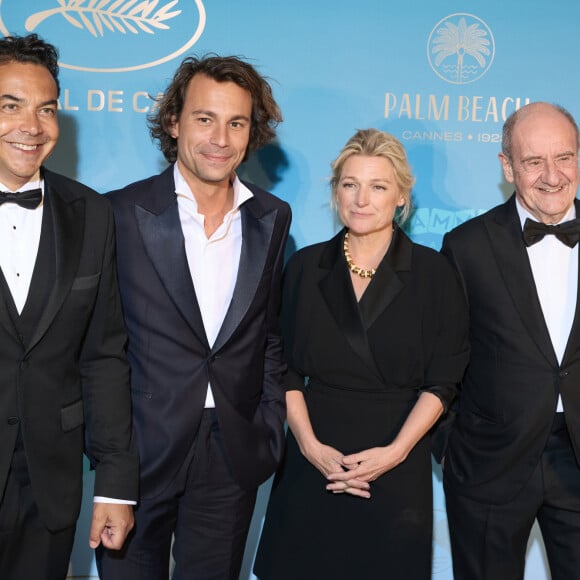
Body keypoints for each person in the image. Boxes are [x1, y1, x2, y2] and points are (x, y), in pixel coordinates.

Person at [96, 55, 291, 579]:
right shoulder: (118, 213)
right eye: (205, 119)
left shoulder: (271, 218)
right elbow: (101, 348)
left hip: (231, 450)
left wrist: (269, 425)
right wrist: (113, 463)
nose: (220, 139)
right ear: (174, 122)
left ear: (254, 132)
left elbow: (267, 335)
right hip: (140, 450)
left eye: (237, 122)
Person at [254, 128, 469, 579]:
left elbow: (443, 380)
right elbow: (285, 369)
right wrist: (311, 448)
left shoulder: (434, 274)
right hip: (313, 461)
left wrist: (394, 453)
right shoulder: (305, 266)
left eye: (378, 186)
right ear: (335, 193)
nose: (361, 199)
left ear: (401, 198)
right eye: (349, 184)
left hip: (396, 464)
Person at [0, 34, 138, 579]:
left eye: (46, 109)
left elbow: (104, 356)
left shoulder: (92, 214)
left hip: (50, 489)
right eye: (9, 106)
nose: (31, 126)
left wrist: (116, 483)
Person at [440, 102, 580, 579]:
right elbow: (441, 360)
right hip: (488, 463)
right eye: (532, 161)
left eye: (564, 157)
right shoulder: (466, 247)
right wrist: (451, 448)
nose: (552, 176)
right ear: (506, 166)